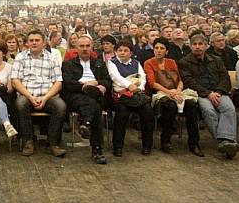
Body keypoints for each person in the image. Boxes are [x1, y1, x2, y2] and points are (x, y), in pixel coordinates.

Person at [179, 33, 239, 159]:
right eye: (194, 44)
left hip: (218, 92)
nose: (197, 47)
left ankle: (225, 141)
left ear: (206, 46)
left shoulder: (216, 60)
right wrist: (208, 93)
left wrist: (218, 91)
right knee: (209, 111)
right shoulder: (184, 62)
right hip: (200, 93)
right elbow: (189, 81)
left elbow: (225, 78)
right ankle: (226, 142)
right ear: (190, 46)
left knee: (229, 109)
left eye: (200, 44)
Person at [144, 38, 203, 156]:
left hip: (176, 91)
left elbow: (180, 80)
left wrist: (178, 91)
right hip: (160, 93)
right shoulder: (149, 63)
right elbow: (152, 83)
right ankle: (165, 140)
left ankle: (194, 143)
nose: (158, 51)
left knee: (191, 105)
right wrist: (170, 93)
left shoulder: (171, 62)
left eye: (162, 48)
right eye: (156, 48)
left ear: (166, 51)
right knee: (169, 106)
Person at [11, 30, 66, 157]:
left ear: (44, 43)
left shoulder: (52, 58)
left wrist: (45, 98)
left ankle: (53, 143)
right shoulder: (20, 57)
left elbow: (58, 82)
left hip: (48, 96)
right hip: (27, 95)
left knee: (61, 106)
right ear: (27, 43)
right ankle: (28, 141)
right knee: (20, 103)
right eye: (31, 40)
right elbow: (15, 81)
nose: (34, 43)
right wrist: (30, 97)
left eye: (37, 40)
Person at [61, 35, 110, 164]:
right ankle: (97, 150)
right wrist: (84, 87)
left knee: (93, 101)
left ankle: (86, 123)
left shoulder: (99, 63)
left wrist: (98, 83)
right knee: (95, 108)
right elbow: (68, 84)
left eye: (87, 46)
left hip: (96, 93)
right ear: (76, 48)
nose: (84, 49)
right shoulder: (68, 64)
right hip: (77, 95)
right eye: (81, 46)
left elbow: (108, 81)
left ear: (92, 47)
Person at [107, 41, 153, 157]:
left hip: (136, 94)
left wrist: (139, 88)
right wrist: (130, 86)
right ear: (116, 52)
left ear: (131, 53)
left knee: (147, 111)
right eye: (120, 50)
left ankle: (147, 145)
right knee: (122, 112)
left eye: (126, 50)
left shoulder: (136, 63)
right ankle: (118, 146)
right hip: (122, 96)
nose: (122, 53)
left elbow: (142, 77)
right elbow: (115, 77)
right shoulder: (112, 63)